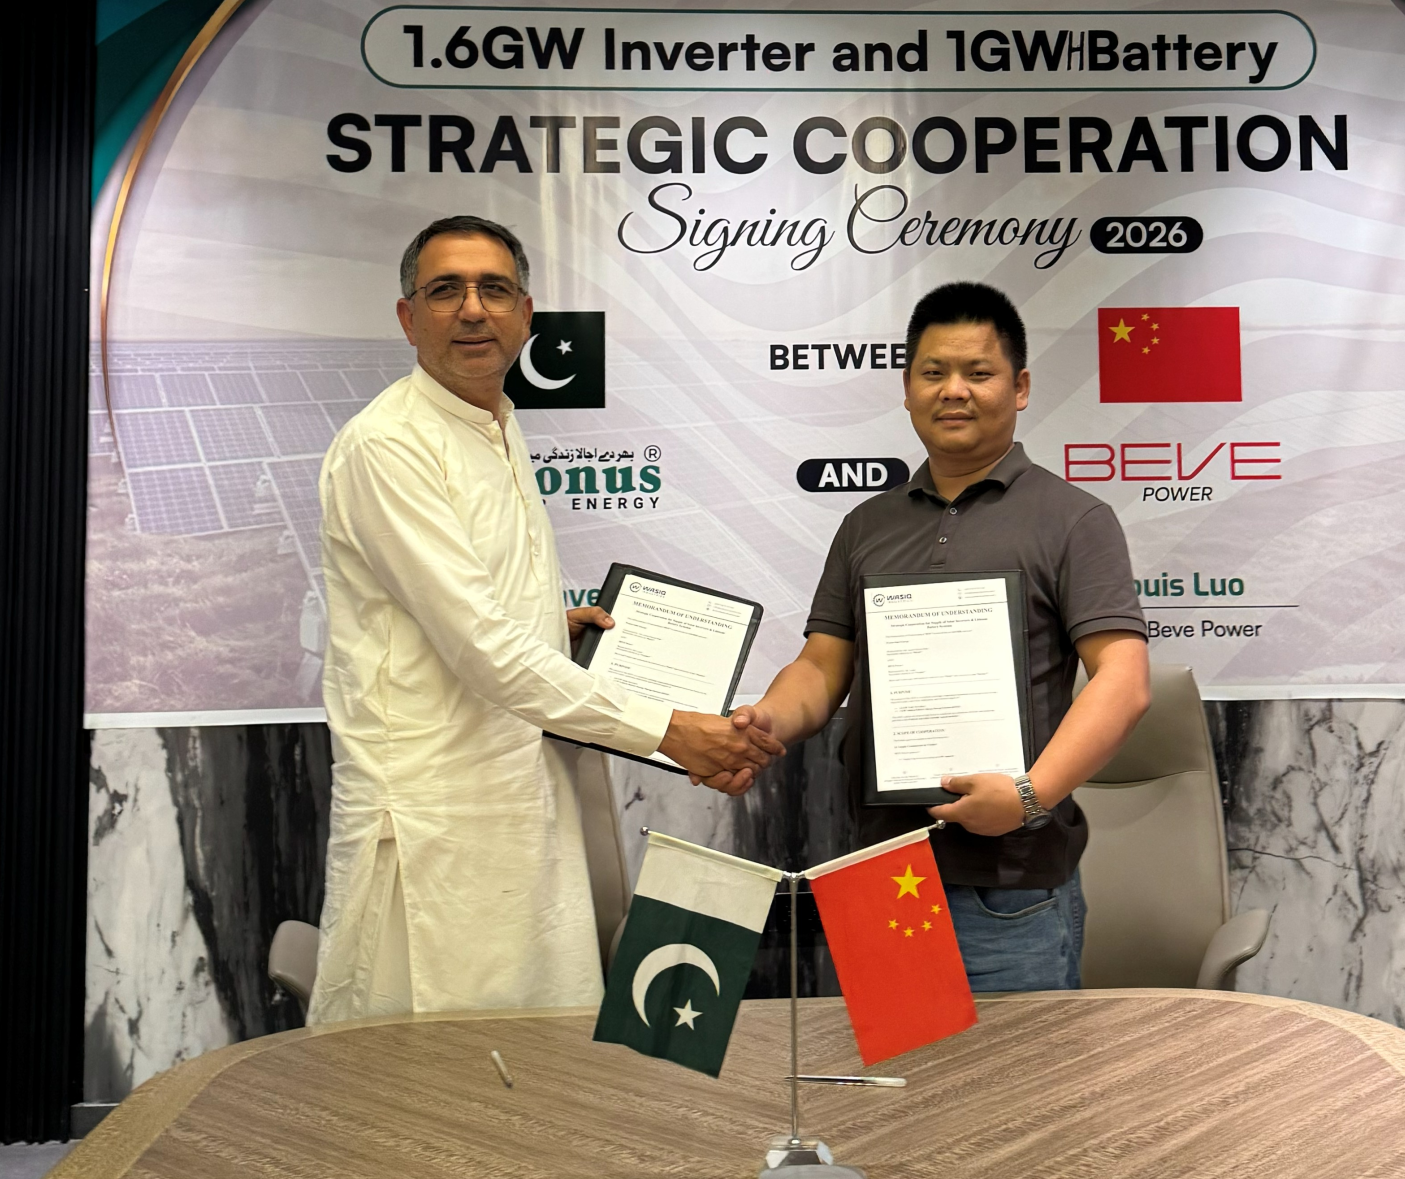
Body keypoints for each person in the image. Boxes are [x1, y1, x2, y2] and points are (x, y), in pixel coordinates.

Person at [310, 214, 777, 1024]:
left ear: (526, 315)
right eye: (445, 290)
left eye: (494, 289)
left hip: (518, 800)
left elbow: (459, 614)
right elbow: (480, 648)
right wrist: (669, 731)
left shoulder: (494, 420)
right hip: (432, 823)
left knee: (532, 1059)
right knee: (422, 1072)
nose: (472, 309)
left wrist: (548, 626)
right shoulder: (388, 445)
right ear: (408, 317)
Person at [734, 282, 1150, 992]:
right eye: (933, 372)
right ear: (907, 390)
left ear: (1019, 388)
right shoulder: (867, 526)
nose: (954, 390)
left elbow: (1124, 679)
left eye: (978, 372)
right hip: (878, 872)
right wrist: (768, 720)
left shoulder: (1074, 519)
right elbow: (823, 665)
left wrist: (1029, 796)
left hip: (1008, 888)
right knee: (893, 1068)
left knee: (1014, 1070)